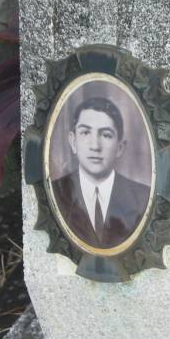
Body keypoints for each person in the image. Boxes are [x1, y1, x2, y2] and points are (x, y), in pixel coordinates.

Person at [51, 96, 150, 249]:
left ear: (120, 147)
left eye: (106, 135)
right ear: (73, 142)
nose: (95, 146)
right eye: (85, 133)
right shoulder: (55, 192)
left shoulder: (143, 197)